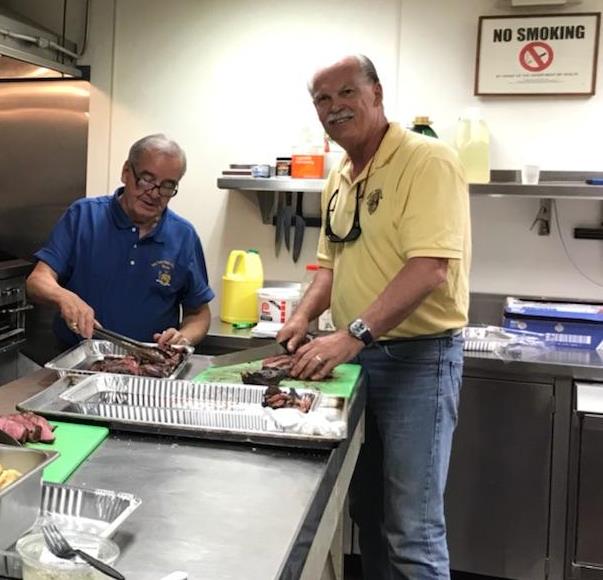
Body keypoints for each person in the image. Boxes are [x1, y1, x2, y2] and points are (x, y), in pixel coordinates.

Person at [277, 55, 471, 579]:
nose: (334, 106)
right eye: (322, 98)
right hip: (357, 365)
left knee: (413, 528)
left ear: (377, 94)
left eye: (346, 93)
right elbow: (330, 264)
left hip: (416, 361)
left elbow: (429, 269)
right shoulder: (339, 177)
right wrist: (302, 318)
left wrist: (353, 334)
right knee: (368, 513)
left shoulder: (427, 160)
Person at [26, 133, 214, 351]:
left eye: (167, 186)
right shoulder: (83, 216)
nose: (154, 193)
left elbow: (199, 313)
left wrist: (183, 338)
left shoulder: (184, 236)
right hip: (81, 360)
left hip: (150, 369)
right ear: (126, 171)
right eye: (146, 179)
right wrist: (64, 297)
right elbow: (37, 281)